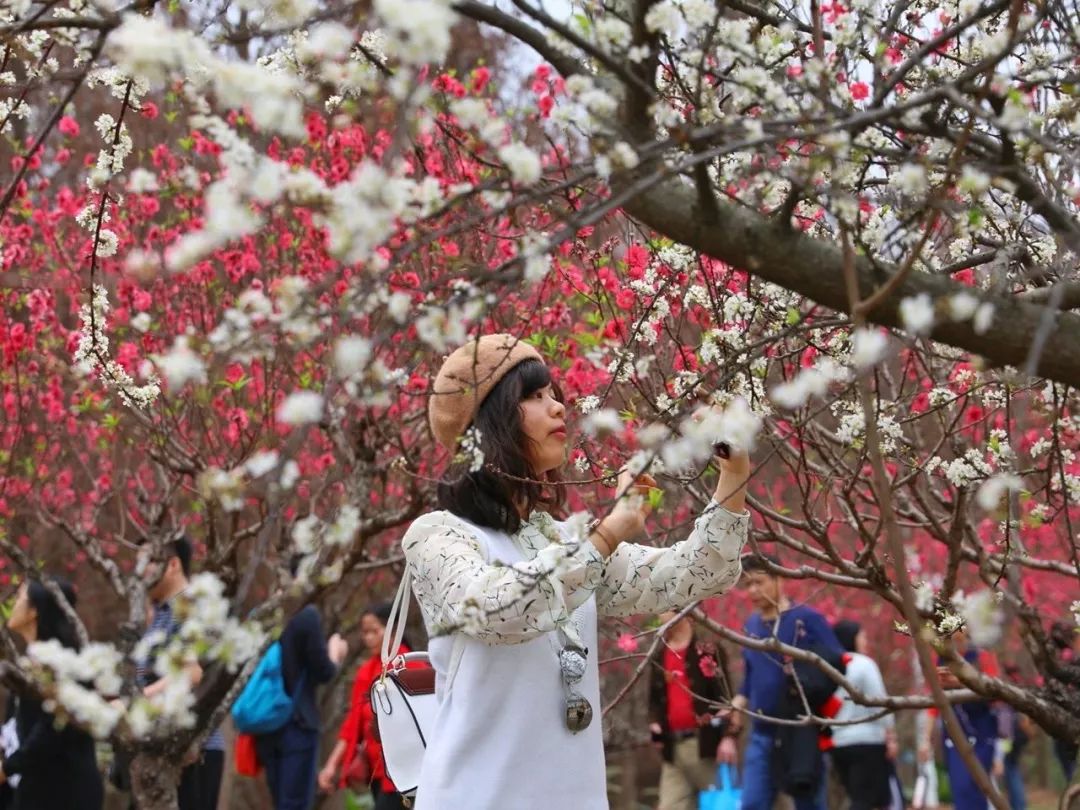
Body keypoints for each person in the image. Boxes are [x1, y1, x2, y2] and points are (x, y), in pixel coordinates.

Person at [402, 334, 750, 810]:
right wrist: (608, 534)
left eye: (555, 395)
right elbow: (499, 608)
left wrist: (734, 476)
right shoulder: (438, 535)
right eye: (534, 396)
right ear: (490, 425)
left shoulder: (564, 542)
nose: (559, 408)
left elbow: (693, 572)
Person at [721, 552, 843, 810]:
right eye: (747, 585)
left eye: (759, 582)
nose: (753, 590)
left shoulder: (807, 620)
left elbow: (836, 663)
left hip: (801, 730)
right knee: (753, 802)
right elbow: (752, 674)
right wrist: (738, 703)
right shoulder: (752, 626)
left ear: (779, 579)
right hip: (762, 733)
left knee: (808, 802)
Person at [134, 536, 226, 810]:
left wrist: (138, 698)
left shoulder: (188, 607)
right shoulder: (164, 611)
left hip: (193, 751)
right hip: (165, 748)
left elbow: (191, 674)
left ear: (173, 565)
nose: (141, 571)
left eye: (149, 561)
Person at [0, 577, 104, 810]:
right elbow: (15, 724)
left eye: (19, 598)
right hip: (33, 787)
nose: (13, 604)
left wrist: (7, 769)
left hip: (64, 792)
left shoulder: (66, 666)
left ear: (33, 611)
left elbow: (51, 732)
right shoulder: (29, 662)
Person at [254, 592, 348, 810]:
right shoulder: (306, 615)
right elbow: (324, 671)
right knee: (294, 802)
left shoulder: (270, 613)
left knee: (279, 799)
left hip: (267, 721)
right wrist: (336, 652)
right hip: (298, 722)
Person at [319, 603, 412, 810]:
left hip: (404, 771)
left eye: (374, 631)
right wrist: (331, 765)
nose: (369, 638)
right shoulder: (366, 671)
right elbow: (353, 723)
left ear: (392, 631)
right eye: (365, 632)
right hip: (376, 771)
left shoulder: (410, 666)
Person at [648, 611, 734, 810]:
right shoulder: (659, 655)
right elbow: (654, 700)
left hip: (706, 746)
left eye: (666, 607)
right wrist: (655, 727)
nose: (660, 613)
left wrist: (729, 736)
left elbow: (726, 700)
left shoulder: (708, 650)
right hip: (673, 749)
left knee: (719, 805)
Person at [918, 629, 1002, 810]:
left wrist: (959, 681)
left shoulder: (983, 656)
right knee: (960, 786)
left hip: (982, 731)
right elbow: (933, 704)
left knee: (978, 786)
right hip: (954, 733)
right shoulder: (938, 659)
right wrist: (925, 739)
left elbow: (996, 692)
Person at [830, 619, 897, 810]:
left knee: (856, 795)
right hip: (868, 741)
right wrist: (890, 734)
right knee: (868, 800)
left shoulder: (829, 665)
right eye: (862, 637)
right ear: (852, 638)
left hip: (839, 741)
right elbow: (880, 702)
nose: (865, 641)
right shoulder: (864, 664)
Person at [998, 665, 1030, 810]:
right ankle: (1016, 804)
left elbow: (1006, 723)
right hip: (1015, 739)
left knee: (1010, 770)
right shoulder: (1019, 687)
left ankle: (1018, 805)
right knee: (1011, 770)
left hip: (1009, 739)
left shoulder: (1009, 690)